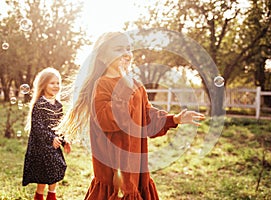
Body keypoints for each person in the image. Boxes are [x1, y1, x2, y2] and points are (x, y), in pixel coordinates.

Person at [59, 32, 205, 199]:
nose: (126, 53)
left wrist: (174, 119)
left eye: (128, 48)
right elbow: (108, 120)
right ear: (103, 57)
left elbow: (147, 116)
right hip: (114, 171)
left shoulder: (136, 85)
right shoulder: (102, 84)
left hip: (136, 168)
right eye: (119, 49)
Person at [22, 67, 71, 200]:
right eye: (52, 83)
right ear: (43, 85)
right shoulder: (39, 104)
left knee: (56, 166)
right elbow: (38, 127)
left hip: (54, 144)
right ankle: (39, 195)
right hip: (41, 145)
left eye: (58, 83)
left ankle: (52, 194)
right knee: (43, 171)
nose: (56, 86)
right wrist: (51, 138)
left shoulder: (58, 105)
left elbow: (60, 126)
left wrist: (65, 141)